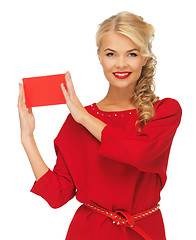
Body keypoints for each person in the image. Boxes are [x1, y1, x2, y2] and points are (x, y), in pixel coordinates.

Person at [18, 11, 182, 240]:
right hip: (89, 232)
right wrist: (27, 138)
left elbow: (141, 153)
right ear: (99, 57)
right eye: (111, 54)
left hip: (144, 231)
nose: (121, 63)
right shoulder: (77, 121)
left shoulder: (164, 111)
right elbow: (57, 196)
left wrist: (84, 118)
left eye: (132, 54)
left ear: (145, 58)